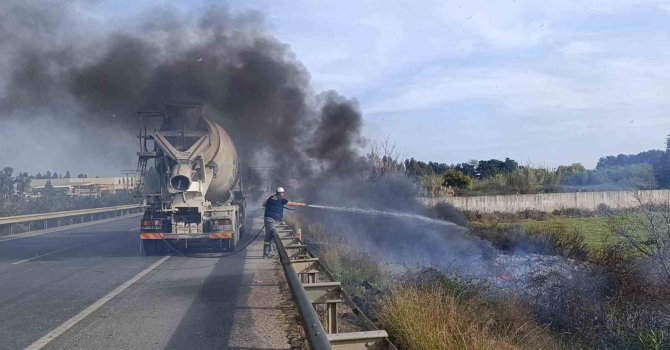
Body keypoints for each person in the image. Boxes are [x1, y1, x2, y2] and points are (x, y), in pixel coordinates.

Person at [262, 187, 306, 257]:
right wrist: (301, 204)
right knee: (271, 236)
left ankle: (268, 252)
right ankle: (267, 253)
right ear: (281, 193)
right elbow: (291, 204)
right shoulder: (282, 199)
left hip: (268, 218)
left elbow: (264, 205)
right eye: (283, 193)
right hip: (275, 220)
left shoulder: (271, 198)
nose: (283, 194)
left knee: (269, 235)